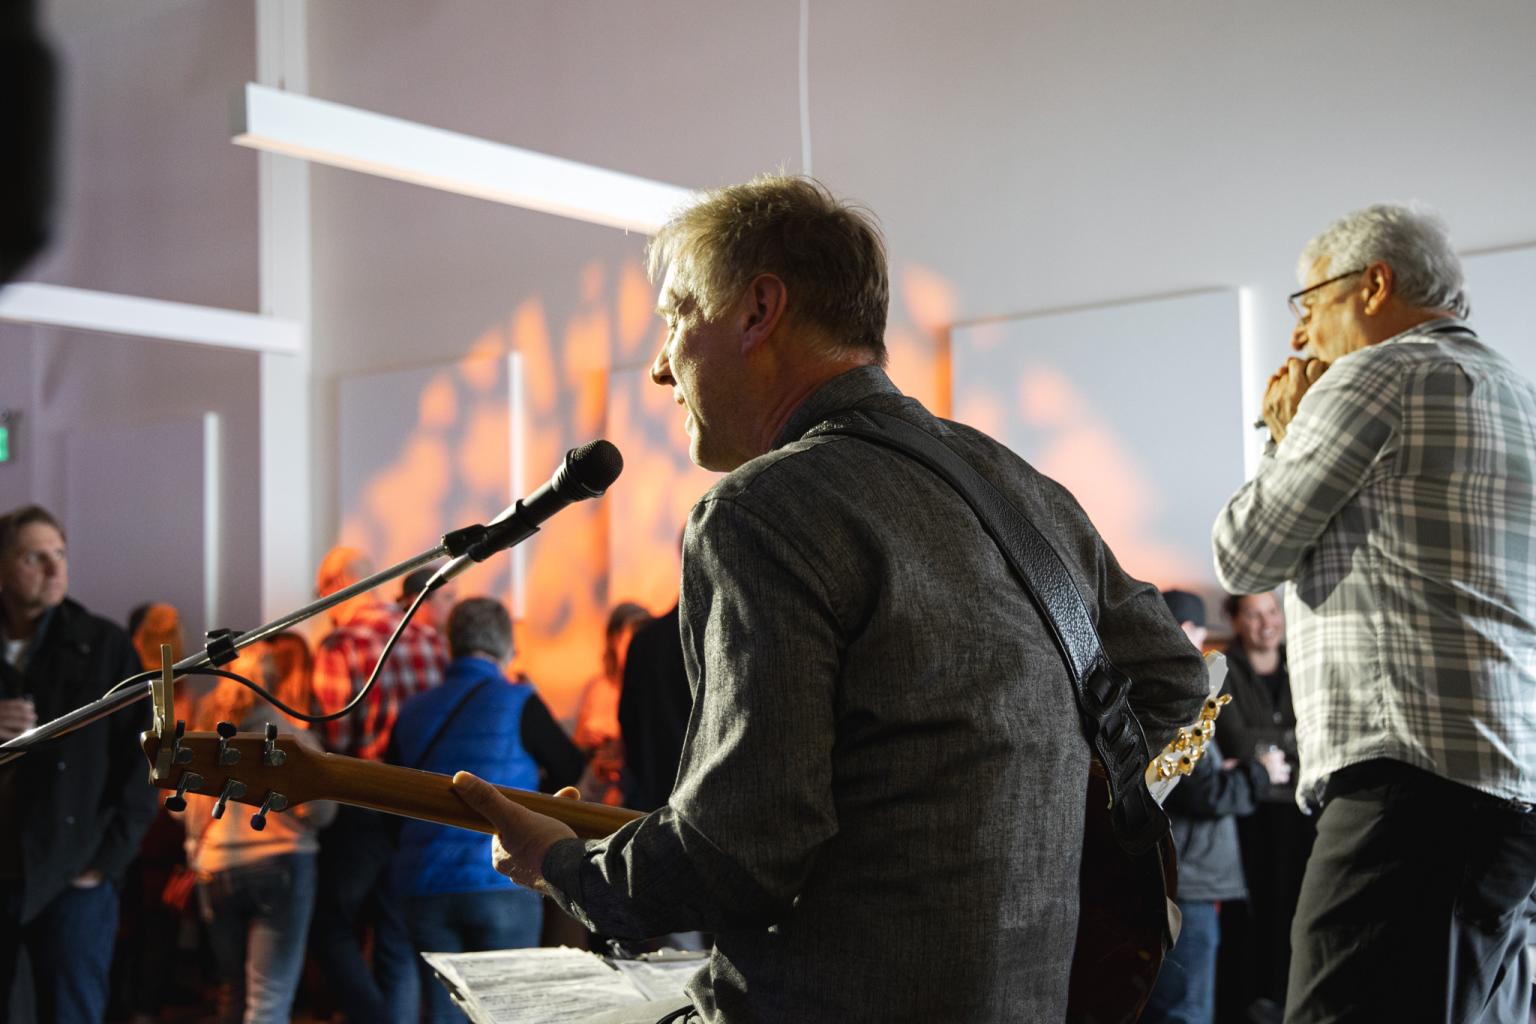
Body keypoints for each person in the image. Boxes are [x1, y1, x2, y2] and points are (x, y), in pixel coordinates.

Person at [452, 175, 1208, 1021]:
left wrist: (564, 867)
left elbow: (740, 847)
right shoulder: (1016, 483)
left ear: (756, 309)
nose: (662, 365)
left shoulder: (761, 511)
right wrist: (1026, 833)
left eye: (674, 317)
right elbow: (1175, 684)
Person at [1213, 203, 1536, 1024]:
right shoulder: (1517, 394)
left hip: (1405, 782)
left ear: (1374, 286)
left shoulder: (1376, 375)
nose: (1299, 336)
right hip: (1510, 789)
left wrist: (1283, 432)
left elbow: (1246, 554)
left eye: (1308, 303)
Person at [390, 597, 586, 1023]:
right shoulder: (519, 700)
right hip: (502, 880)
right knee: (509, 1011)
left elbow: (391, 797)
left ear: (450, 643)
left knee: (445, 1013)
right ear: (506, 644)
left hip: (422, 882)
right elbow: (571, 769)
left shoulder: (412, 711)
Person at [0, 504, 157, 1022]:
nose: (54, 569)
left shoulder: (104, 646)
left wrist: (105, 864)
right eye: (34, 557)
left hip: (73, 875)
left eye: (60, 555)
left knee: (71, 1011)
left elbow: (143, 760)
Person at [308, 545, 447, 1024]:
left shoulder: (341, 644)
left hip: (364, 801)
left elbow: (334, 738)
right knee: (395, 931)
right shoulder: (428, 636)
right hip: (423, 802)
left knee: (327, 925)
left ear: (335, 587)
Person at [1143, 590, 1288, 1024]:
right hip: (1191, 880)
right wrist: (1257, 772)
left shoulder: (1145, 687)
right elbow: (1205, 791)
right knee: (1184, 1012)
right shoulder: (1182, 696)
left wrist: (1227, 769)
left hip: (1169, 874)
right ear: (1189, 631)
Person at [178, 642, 335, 1024]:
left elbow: (188, 813)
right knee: (269, 998)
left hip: (216, 868)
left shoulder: (204, 740)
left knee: (231, 992)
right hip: (281, 863)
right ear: (272, 684)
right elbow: (322, 811)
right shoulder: (291, 739)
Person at [1209, 590, 1313, 1024]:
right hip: (1247, 811)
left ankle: (1288, 1003)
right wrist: (1283, 745)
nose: (1266, 623)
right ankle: (1242, 1006)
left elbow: (1314, 733)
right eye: (1253, 614)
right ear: (1235, 620)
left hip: (1301, 811)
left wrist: (1268, 750)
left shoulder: (1303, 660)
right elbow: (1231, 738)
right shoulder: (1222, 668)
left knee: (1297, 910)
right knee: (1248, 916)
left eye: (1272, 612)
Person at [572, 601, 651, 804]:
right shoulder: (598, 686)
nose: (637, 644)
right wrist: (589, 741)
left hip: (629, 785)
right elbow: (577, 744)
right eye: (630, 638)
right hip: (596, 777)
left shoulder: (651, 689)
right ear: (614, 640)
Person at [617, 600, 690, 814]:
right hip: (702, 805)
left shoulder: (644, 641)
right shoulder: (719, 640)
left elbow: (627, 720)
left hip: (652, 796)